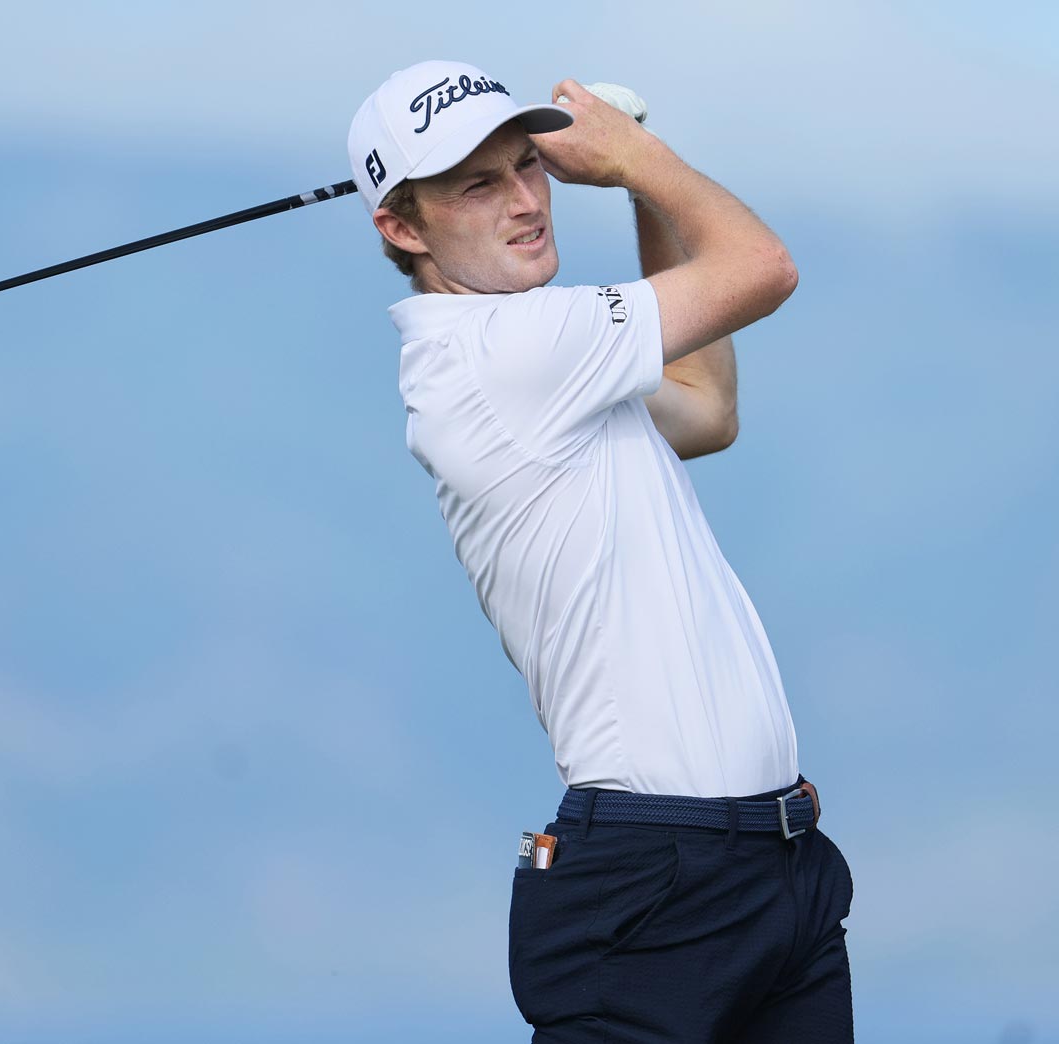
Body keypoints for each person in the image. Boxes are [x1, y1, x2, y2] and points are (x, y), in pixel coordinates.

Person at [347, 60, 854, 1041]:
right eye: (476, 185)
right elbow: (761, 267)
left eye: (527, 166)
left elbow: (705, 410)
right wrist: (636, 157)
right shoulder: (502, 353)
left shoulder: (543, 357)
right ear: (402, 228)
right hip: (652, 884)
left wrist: (632, 188)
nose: (527, 202)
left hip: (768, 865)